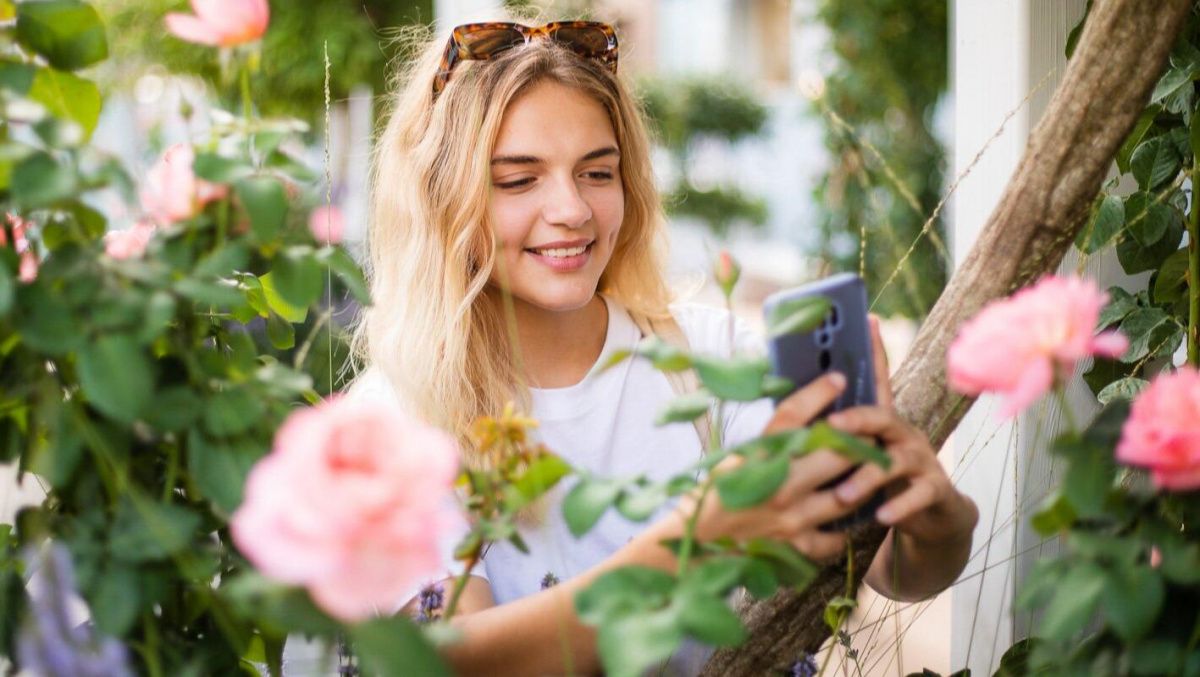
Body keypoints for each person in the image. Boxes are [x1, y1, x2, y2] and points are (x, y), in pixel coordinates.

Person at [349, 19, 979, 676]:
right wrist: (696, 534)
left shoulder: (711, 360)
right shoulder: (393, 415)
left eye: (597, 171)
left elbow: (892, 569)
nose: (572, 209)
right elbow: (457, 660)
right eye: (518, 180)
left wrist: (933, 518)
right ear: (442, 196)